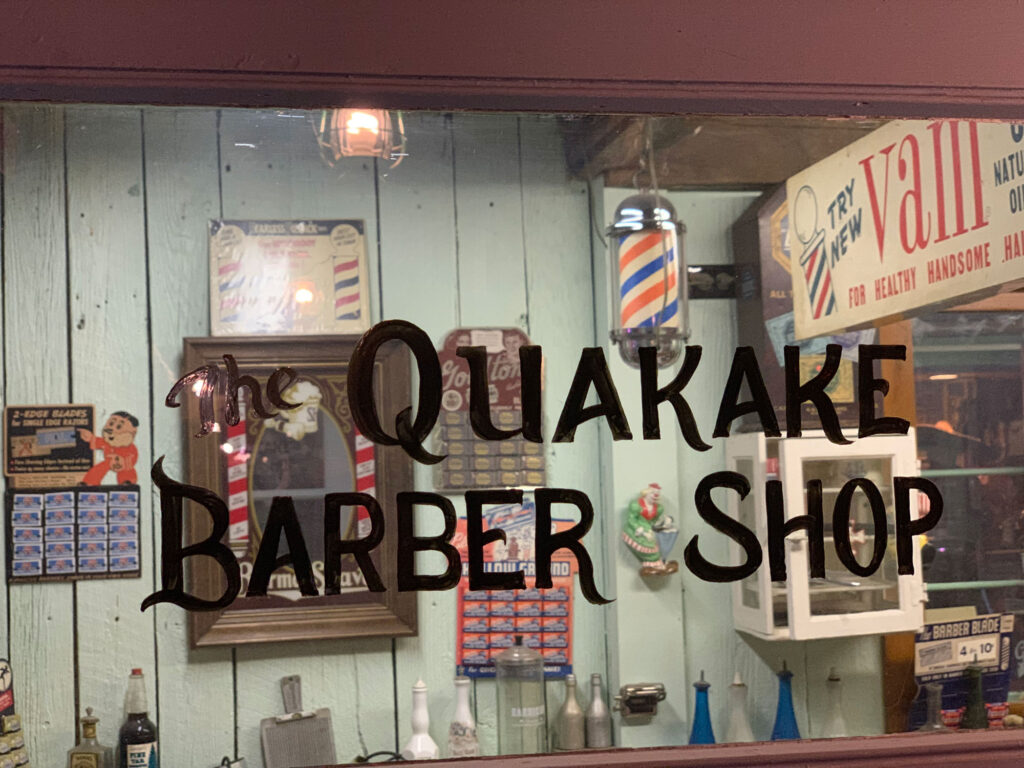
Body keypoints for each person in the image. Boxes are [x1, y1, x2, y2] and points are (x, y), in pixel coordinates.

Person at [79, 411, 139, 485]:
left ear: (132, 432)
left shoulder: (130, 448)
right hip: (109, 462)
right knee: (99, 468)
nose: (112, 429)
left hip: (124, 464)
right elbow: (98, 442)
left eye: (119, 427)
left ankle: (128, 482)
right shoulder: (107, 443)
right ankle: (90, 482)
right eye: (111, 424)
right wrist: (90, 438)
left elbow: (132, 457)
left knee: (127, 470)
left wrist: (120, 460)